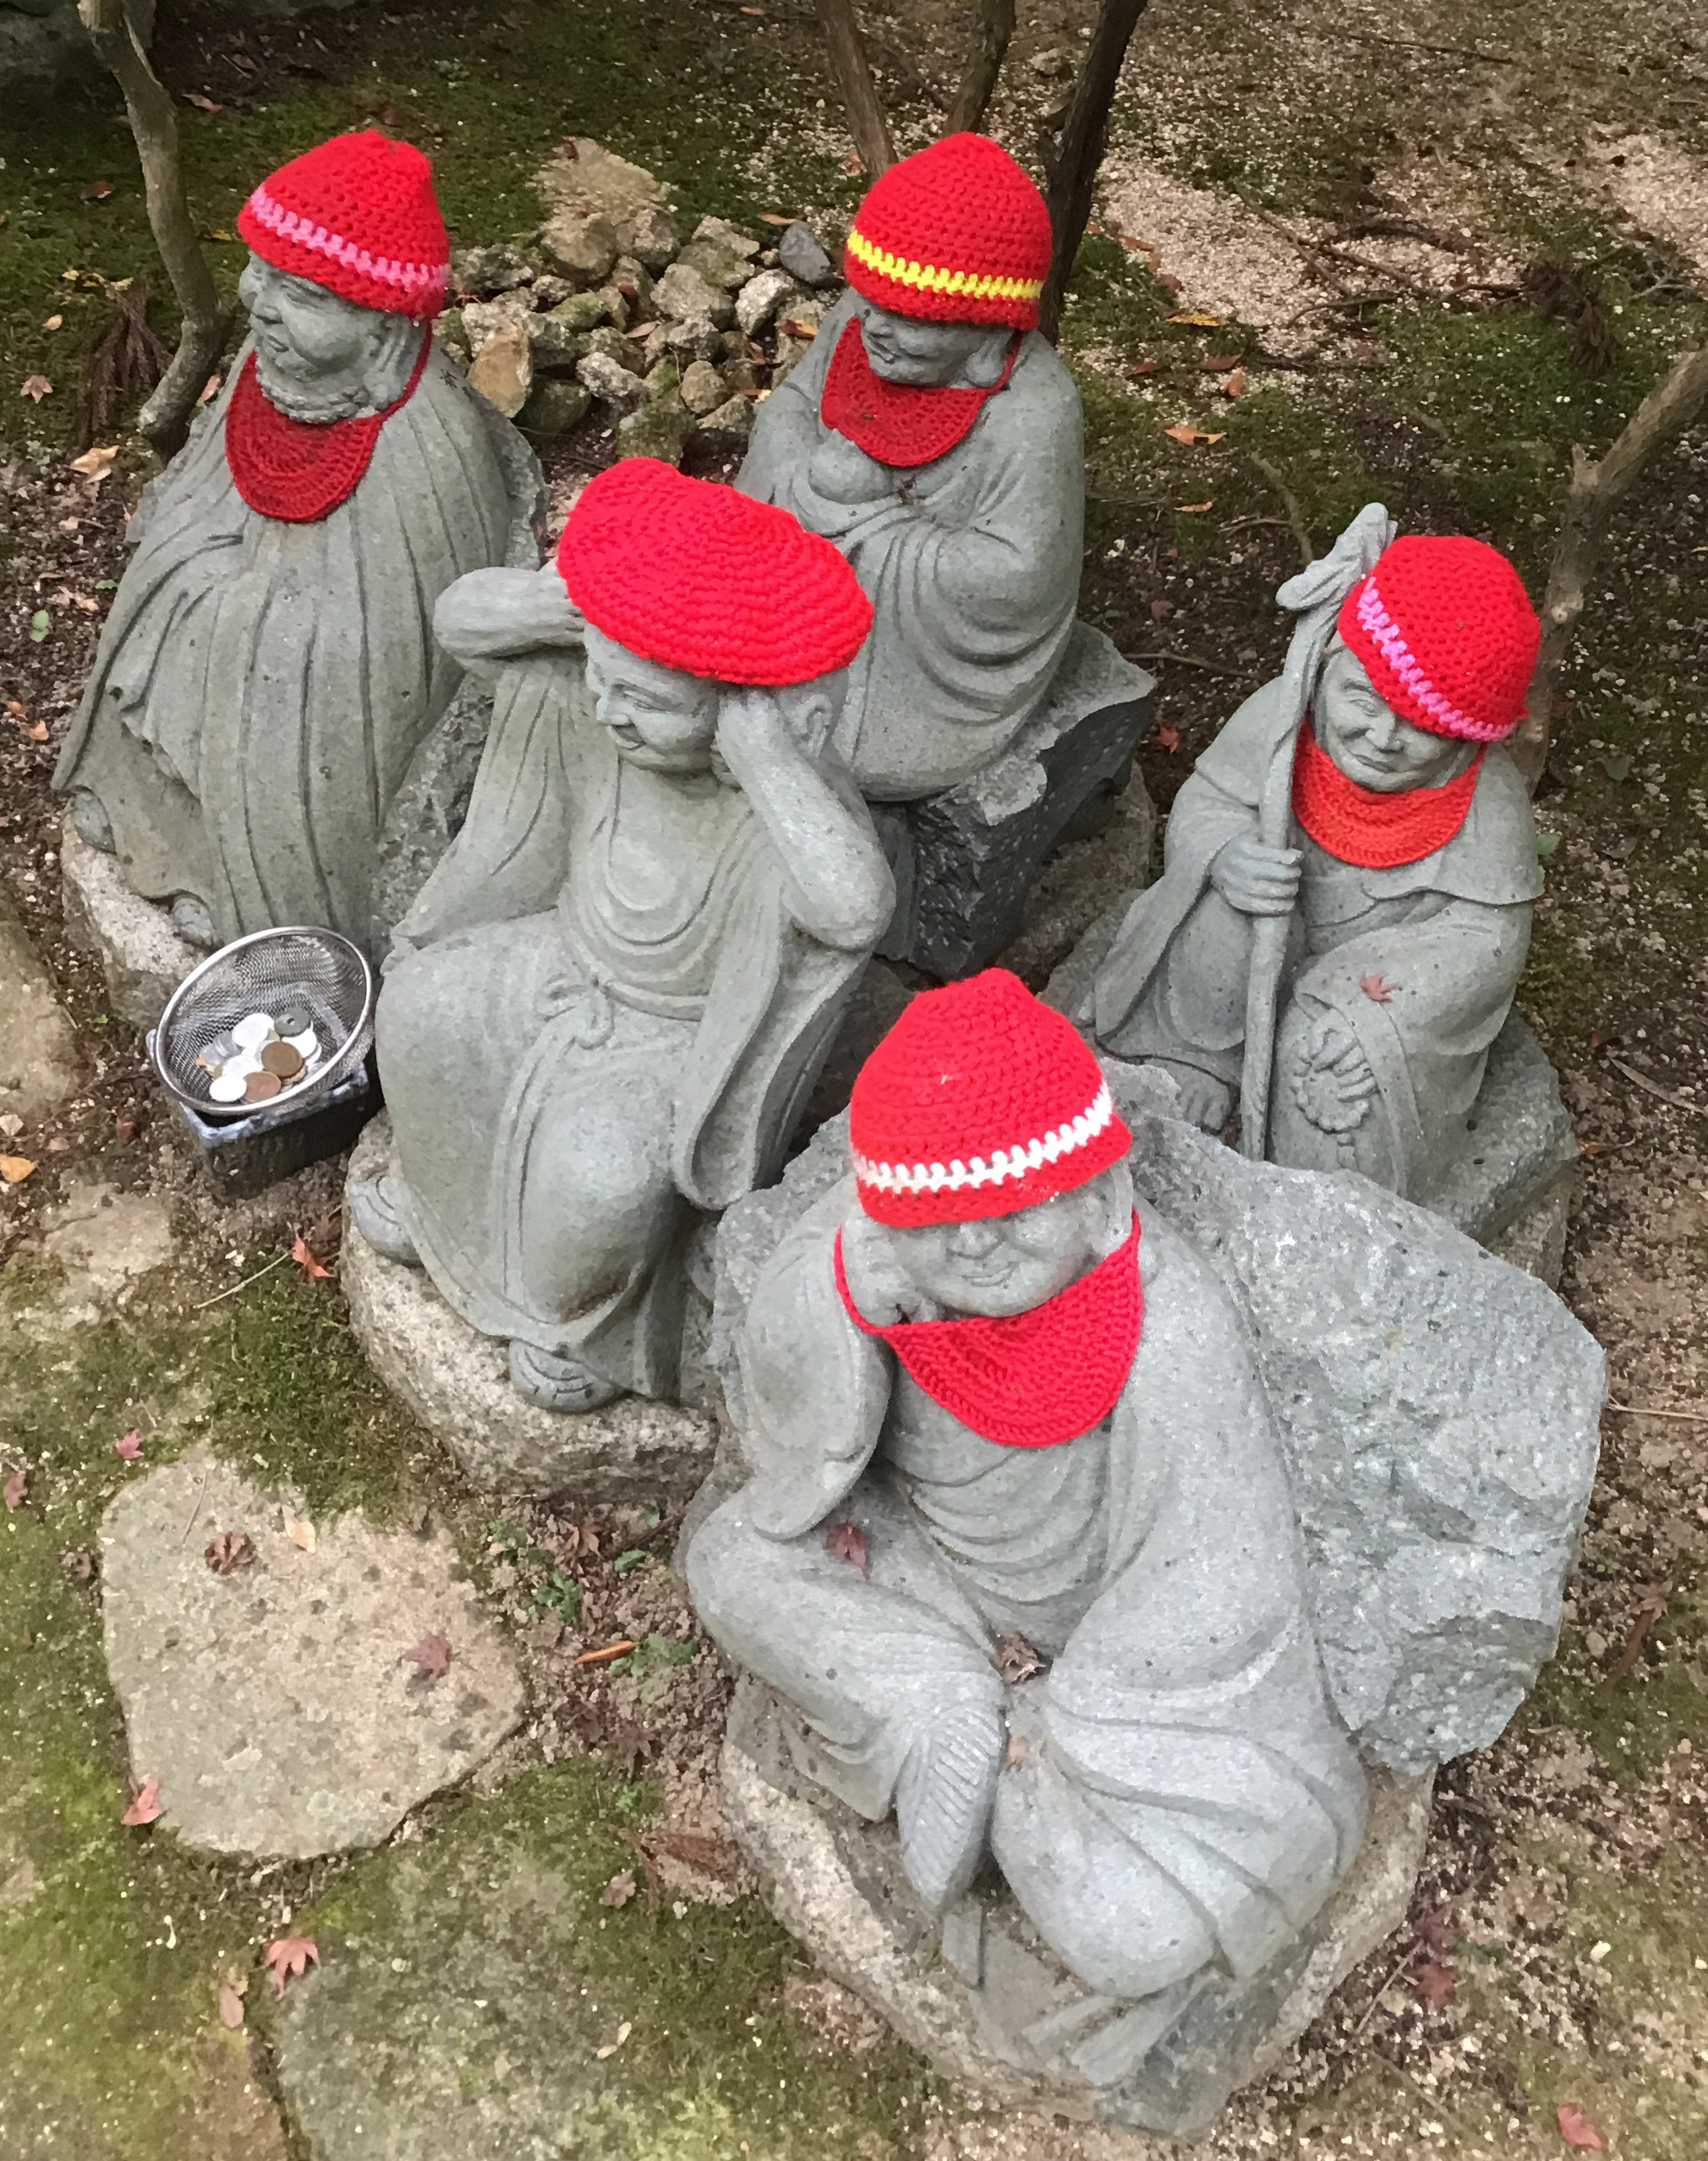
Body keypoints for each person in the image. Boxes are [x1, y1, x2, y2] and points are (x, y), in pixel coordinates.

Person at [687, 970, 1366, 1999]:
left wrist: (1072, 1719)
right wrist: (834, 1312)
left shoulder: (1163, 1325)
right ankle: (931, 1705)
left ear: (1099, 1200)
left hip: (1119, 1688)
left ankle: (985, 1753)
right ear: (879, 1215)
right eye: (937, 1218)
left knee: (1130, 1935)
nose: (972, 1243)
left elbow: (1222, 1585)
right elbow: (789, 1434)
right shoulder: (872, 1258)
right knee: (731, 1559)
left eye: (1012, 1211)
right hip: (926, 1580)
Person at [349, 459, 894, 1413]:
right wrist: (577, 616)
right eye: (604, 681)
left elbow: (853, 910)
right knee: (423, 1009)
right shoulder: (590, 701)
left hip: (675, 1037)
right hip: (558, 959)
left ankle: (573, 1323)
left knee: (599, 1176)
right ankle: (436, 1213)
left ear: (741, 714)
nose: (610, 711)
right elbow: (461, 618)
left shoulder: (782, 806)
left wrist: (766, 764)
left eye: (649, 702)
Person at [56, 129, 539, 955]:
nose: (261, 305)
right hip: (213, 621)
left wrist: (244, 609)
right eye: (260, 273)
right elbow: (197, 494)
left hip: (299, 695)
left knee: (267, 670)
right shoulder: (266, 363)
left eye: (303, 294)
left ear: (383, 325)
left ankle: (269, 908)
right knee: (168, 567)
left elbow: (396, 664)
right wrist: (186, 553)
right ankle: (158, 824)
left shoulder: (428, 446)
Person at [1090, 534, 1543, 1194]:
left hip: (1370, 969)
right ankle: (1196, 1058)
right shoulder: (1282, 717)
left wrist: (1386, 1001)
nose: (1382, 739)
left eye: (1422, 730)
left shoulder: (1486, 804)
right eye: (1362, 699)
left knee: (1334, 1060)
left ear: (1464, 743)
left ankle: (1317, 1184)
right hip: (1259, 932)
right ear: (1331, 660)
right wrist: (1225, 854)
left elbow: (1488, 941)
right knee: (1228, 914)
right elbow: (1208, 800)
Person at [736, 134, 1083, 803]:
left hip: (904, 662)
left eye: (911, 319)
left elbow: (1019, 577)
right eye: (868, 302)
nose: (875, 329)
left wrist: (873, 523)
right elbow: (791, 410)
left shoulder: (1032, 412)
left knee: (837, 748)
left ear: (990, 331)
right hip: (793, 590)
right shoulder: (860, 321)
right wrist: (806, 475)